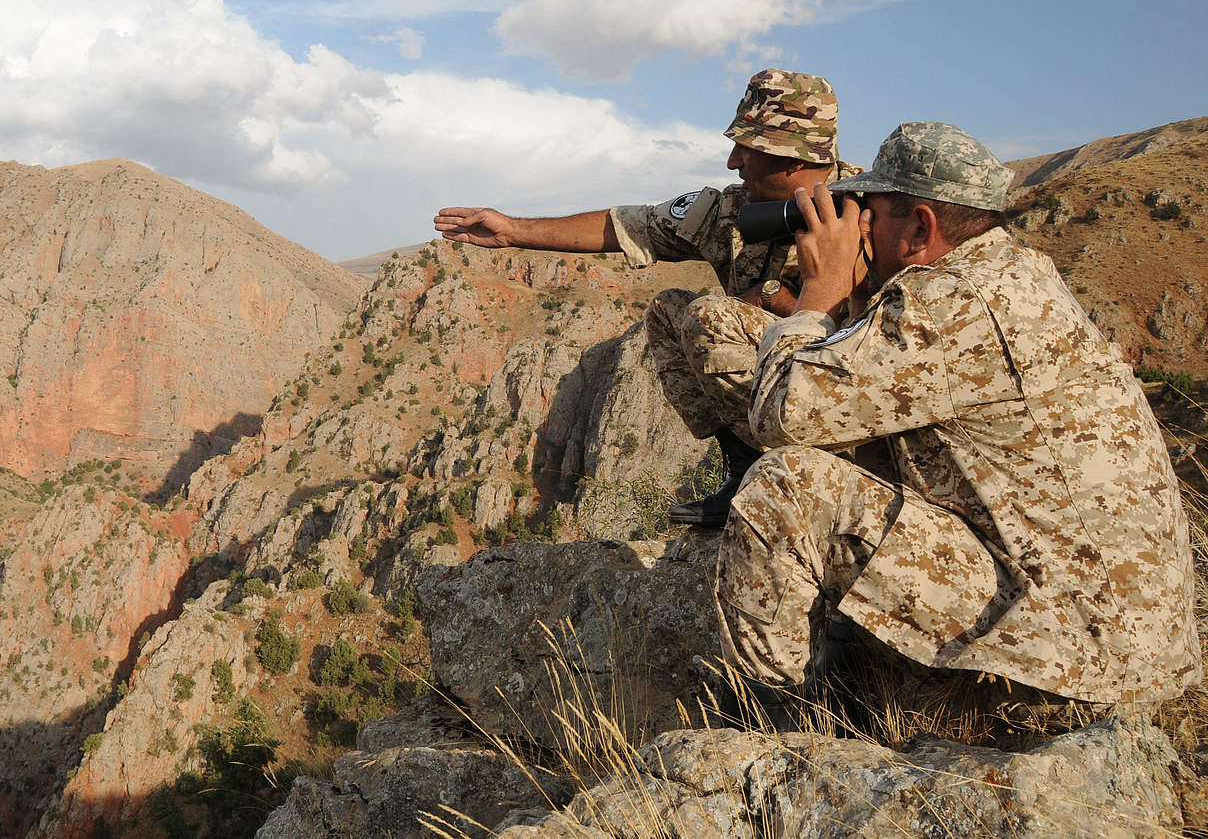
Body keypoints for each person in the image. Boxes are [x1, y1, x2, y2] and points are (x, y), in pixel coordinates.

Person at [713, 121, 1201, 710]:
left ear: (921, 224)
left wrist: (820, 290)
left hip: (1079, 659)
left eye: (871, 210)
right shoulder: (1015, 275)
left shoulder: (950, 302)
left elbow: (781, 418)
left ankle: (773, 722)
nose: (859, 223)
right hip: (1125, 638)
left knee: (785, 485)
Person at [435, 70, 861, 526]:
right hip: (774, 391)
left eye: (747, 149)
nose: (733, 161)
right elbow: (624, 226)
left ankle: (819, 481)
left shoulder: (871, 216)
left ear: (792, 157)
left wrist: (779, 300)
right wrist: (514, 232)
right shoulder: (735, 210)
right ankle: (745, 472)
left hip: (844, 397)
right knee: (668, 312)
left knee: (710, 316)